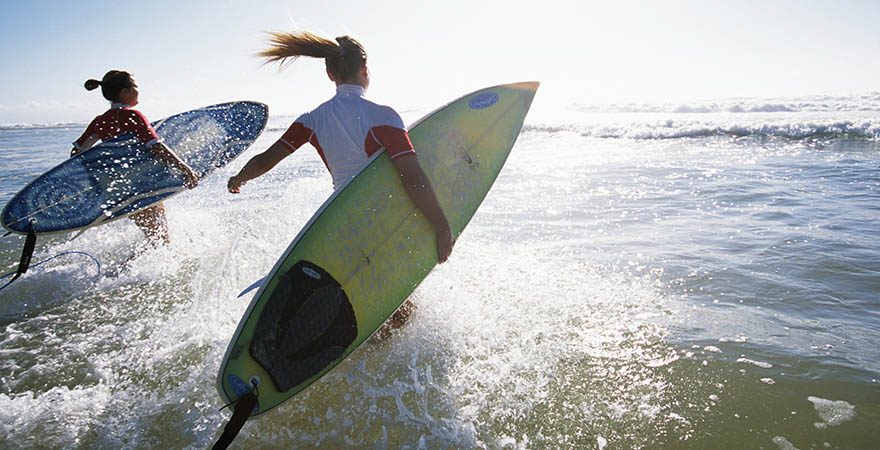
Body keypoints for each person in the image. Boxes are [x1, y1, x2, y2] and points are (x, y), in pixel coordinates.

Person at [227, 31, 454, 332]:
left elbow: (267, 159)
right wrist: (441, 226)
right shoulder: (383, 116)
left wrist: (239, 177)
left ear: (329, 73)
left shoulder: (312, 119)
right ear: (365, 69)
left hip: (341, 222)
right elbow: (414, 177)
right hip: (384, 219)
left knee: (365, 295)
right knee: (398, 305)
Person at [71, 70, 200, 246]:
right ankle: (122, 273)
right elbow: (156, 146)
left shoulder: (99, 121)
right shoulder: (133, 116)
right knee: (160, 240)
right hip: (143, 184)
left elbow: (76, 153)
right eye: (135, 86)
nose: (138, 90)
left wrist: (97, 178)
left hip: (120, 189)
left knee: (156, 238)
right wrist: (185, 169)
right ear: (125, 92)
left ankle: (127, 272)